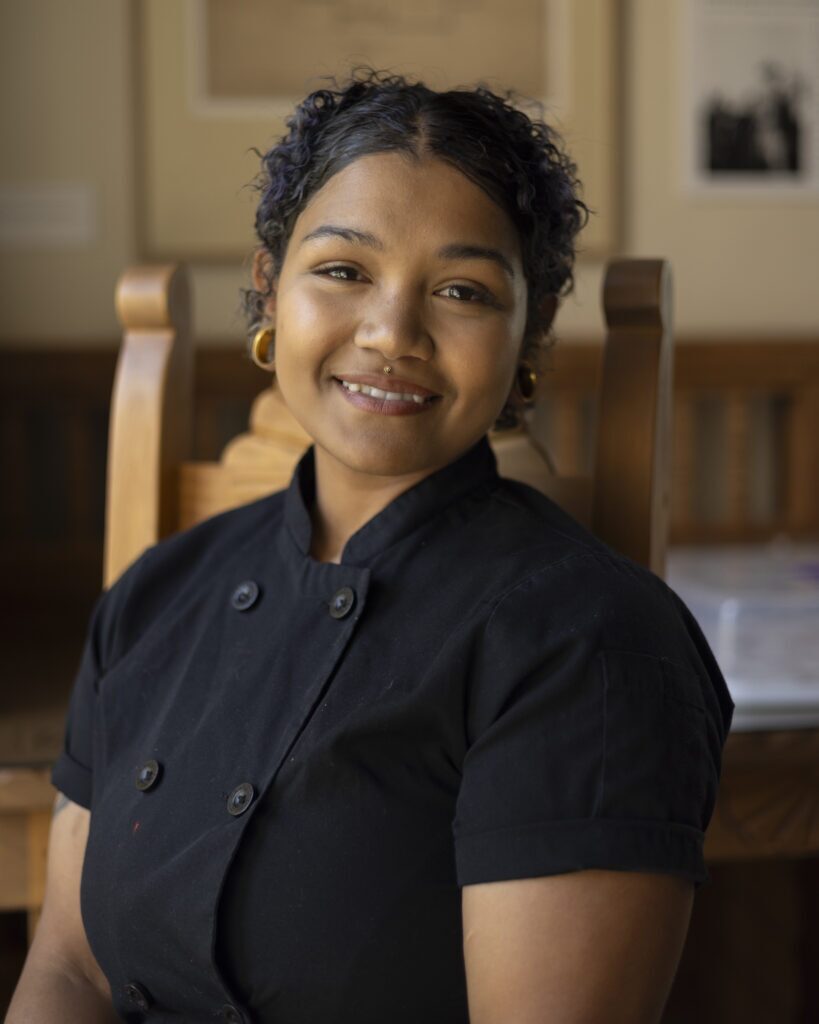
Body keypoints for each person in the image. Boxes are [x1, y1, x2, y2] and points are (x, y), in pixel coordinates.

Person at [8, 69, 734, 1024]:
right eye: (344, 271)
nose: (392, 333)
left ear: (530, 337)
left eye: (463, 290)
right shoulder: (156, 593)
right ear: (269, 287)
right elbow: (67, 969)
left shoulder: (589, 643)